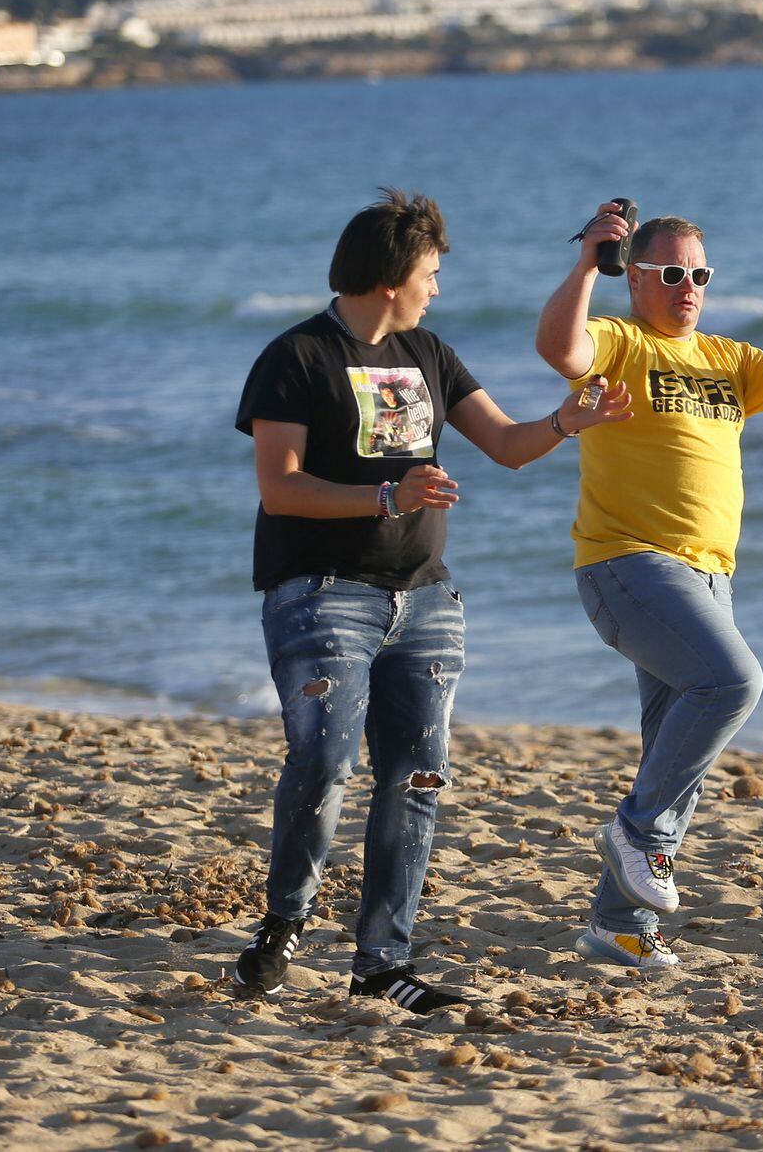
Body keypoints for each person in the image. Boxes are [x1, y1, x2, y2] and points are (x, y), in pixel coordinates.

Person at [232, 188, 631, 1012]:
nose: (437, 288)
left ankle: (382, 961)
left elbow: (509, 446)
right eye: (431, 272)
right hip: (322, 593)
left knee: (418, 775)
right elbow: (281, 488)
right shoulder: (296, 357)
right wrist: (388, 497)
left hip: (425, 598)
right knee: (327, 762)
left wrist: (568, 419)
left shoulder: (429, 354)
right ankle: (284, 922)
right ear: (390, 278)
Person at [535, 203, 763, 970]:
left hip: (709, 576)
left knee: (671, 755)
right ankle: (637, 836)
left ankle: (617, 927)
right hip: (627, 562)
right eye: (672, 273)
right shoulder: (621, 342)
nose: (689, 287)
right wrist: (588, 262)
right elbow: (560, 347)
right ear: (638, 280)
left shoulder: (728, 358)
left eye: (700, 274)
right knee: (731, 680)